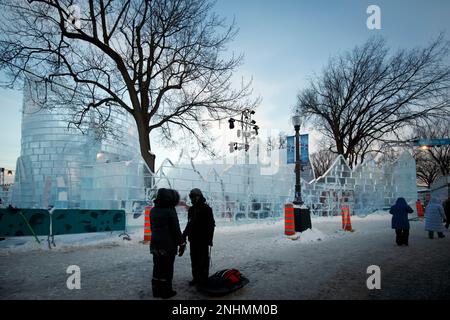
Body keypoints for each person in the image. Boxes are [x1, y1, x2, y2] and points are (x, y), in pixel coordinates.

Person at [150, 188, 186, 299]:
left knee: (157, 267)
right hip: (168, 245)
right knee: (167, 269)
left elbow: (152, 228)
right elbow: (176, 230)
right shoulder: (170, 211)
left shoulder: (153, 210)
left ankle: (156, 291)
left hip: (155, 244)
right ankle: (166, 292)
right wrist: (181, 243)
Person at [182, 188, 215, 289]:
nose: (192, 199)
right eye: (191, 197)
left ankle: (203, 279)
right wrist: (184, 234)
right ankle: (196, 278)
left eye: (194, 196)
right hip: (193, 239)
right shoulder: (191, 209)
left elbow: (211, 225)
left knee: (203, 260)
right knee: (194, 260)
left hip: (203, 240)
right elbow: (190, 223)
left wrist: (210, 239)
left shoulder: (206, 209)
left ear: (199, 196)